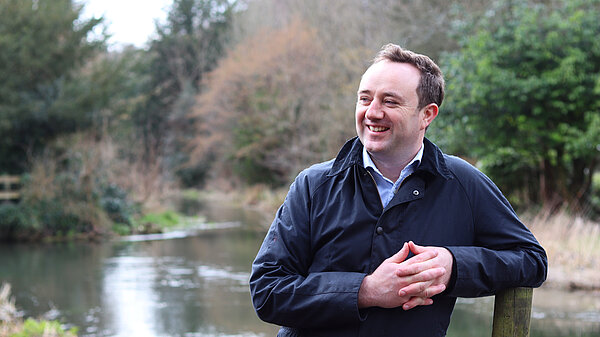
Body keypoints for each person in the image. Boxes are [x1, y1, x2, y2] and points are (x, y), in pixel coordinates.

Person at [249, 43, 547, 337]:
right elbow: (267, 290)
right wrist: (365, 291)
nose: (372, 112)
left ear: (427, 115)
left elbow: (531, 260)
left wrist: (453, 266)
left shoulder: (462, 183)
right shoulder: (313, 185)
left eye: (389, 102)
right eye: (365, 99)